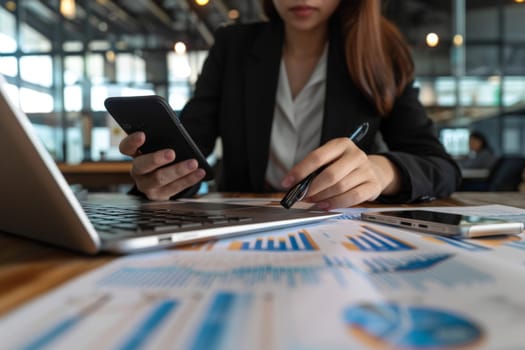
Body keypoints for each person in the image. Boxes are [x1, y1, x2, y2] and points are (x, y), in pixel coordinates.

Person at [119, 0, 461, 210]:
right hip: (239, 231)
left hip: (338, 232)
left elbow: (440, 167)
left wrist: (383, 172)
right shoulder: (232, 46)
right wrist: (161, 177)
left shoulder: (379, 54)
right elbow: (189, 151)